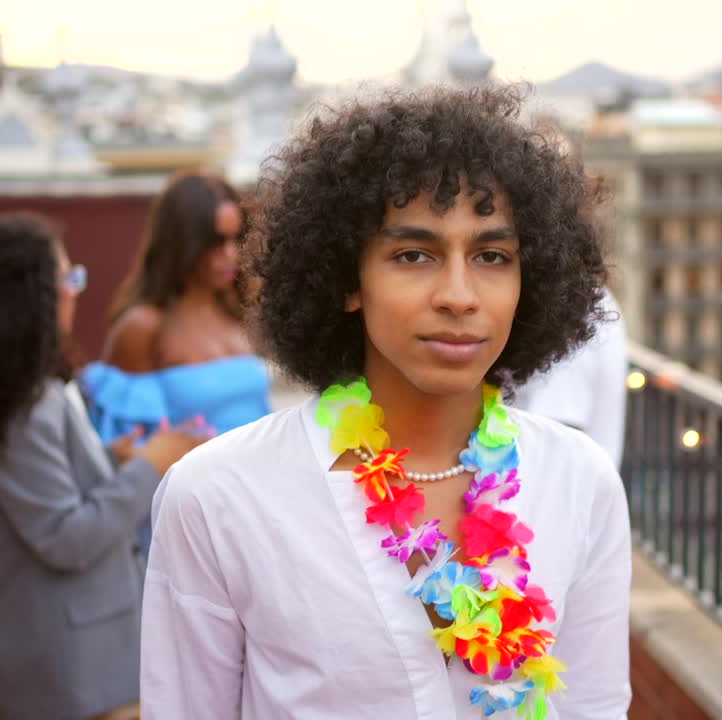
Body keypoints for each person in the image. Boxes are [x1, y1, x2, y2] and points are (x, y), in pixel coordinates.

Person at [140, 85, 632, 719]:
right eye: (414, 254)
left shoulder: (579, 479)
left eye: (491, 255)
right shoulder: (217, 497)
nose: (459, 294)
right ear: (348, 280)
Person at [0, 213, 206, 720]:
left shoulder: (24, 392)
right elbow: (64, 536)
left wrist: (111, 461)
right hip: (74, 672)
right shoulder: (20, 405)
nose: (75, 291)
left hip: (70, 659)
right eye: (67, 278)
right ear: (28, 300)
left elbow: (47, 494)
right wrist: (150, 464)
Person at [82, 170, 272, 552]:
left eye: (238, 238)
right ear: (184, 243)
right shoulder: (143, 328)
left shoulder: (238, 313)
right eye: (215, 242)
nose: (231, 254)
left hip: (258, 512)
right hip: (189, 526)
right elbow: (121, 455)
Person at [514, 287, 628, 467]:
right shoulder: (600, 302)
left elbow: (557, 429)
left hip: (566, 458)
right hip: (583, 462)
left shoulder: (588, 302)